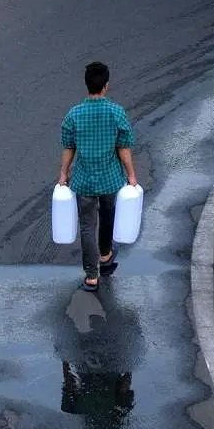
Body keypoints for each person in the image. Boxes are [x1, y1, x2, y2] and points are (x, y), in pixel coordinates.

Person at [58, 61, 137, 292]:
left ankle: (91, 276)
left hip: (83, 180)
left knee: (86, 226)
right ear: (106, 86)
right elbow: (124, 148)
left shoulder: (74, 114)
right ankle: (105, 255)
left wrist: (64, 174)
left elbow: (68, 147)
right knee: (108, 216)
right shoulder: (116, 112)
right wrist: (131, 175)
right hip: (110, 179)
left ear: (87, 85)